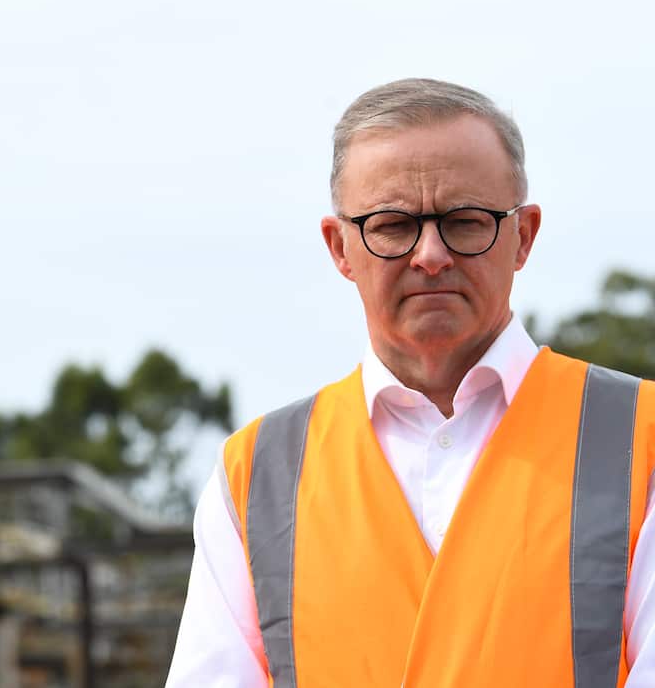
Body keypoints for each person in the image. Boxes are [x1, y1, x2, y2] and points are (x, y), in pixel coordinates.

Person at [167, 79, 655, 686]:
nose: (430, 254)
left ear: (523, 236)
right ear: (339, 247)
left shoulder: (642, 441)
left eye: (466, 220)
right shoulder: (256, 478)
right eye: (392, 225)